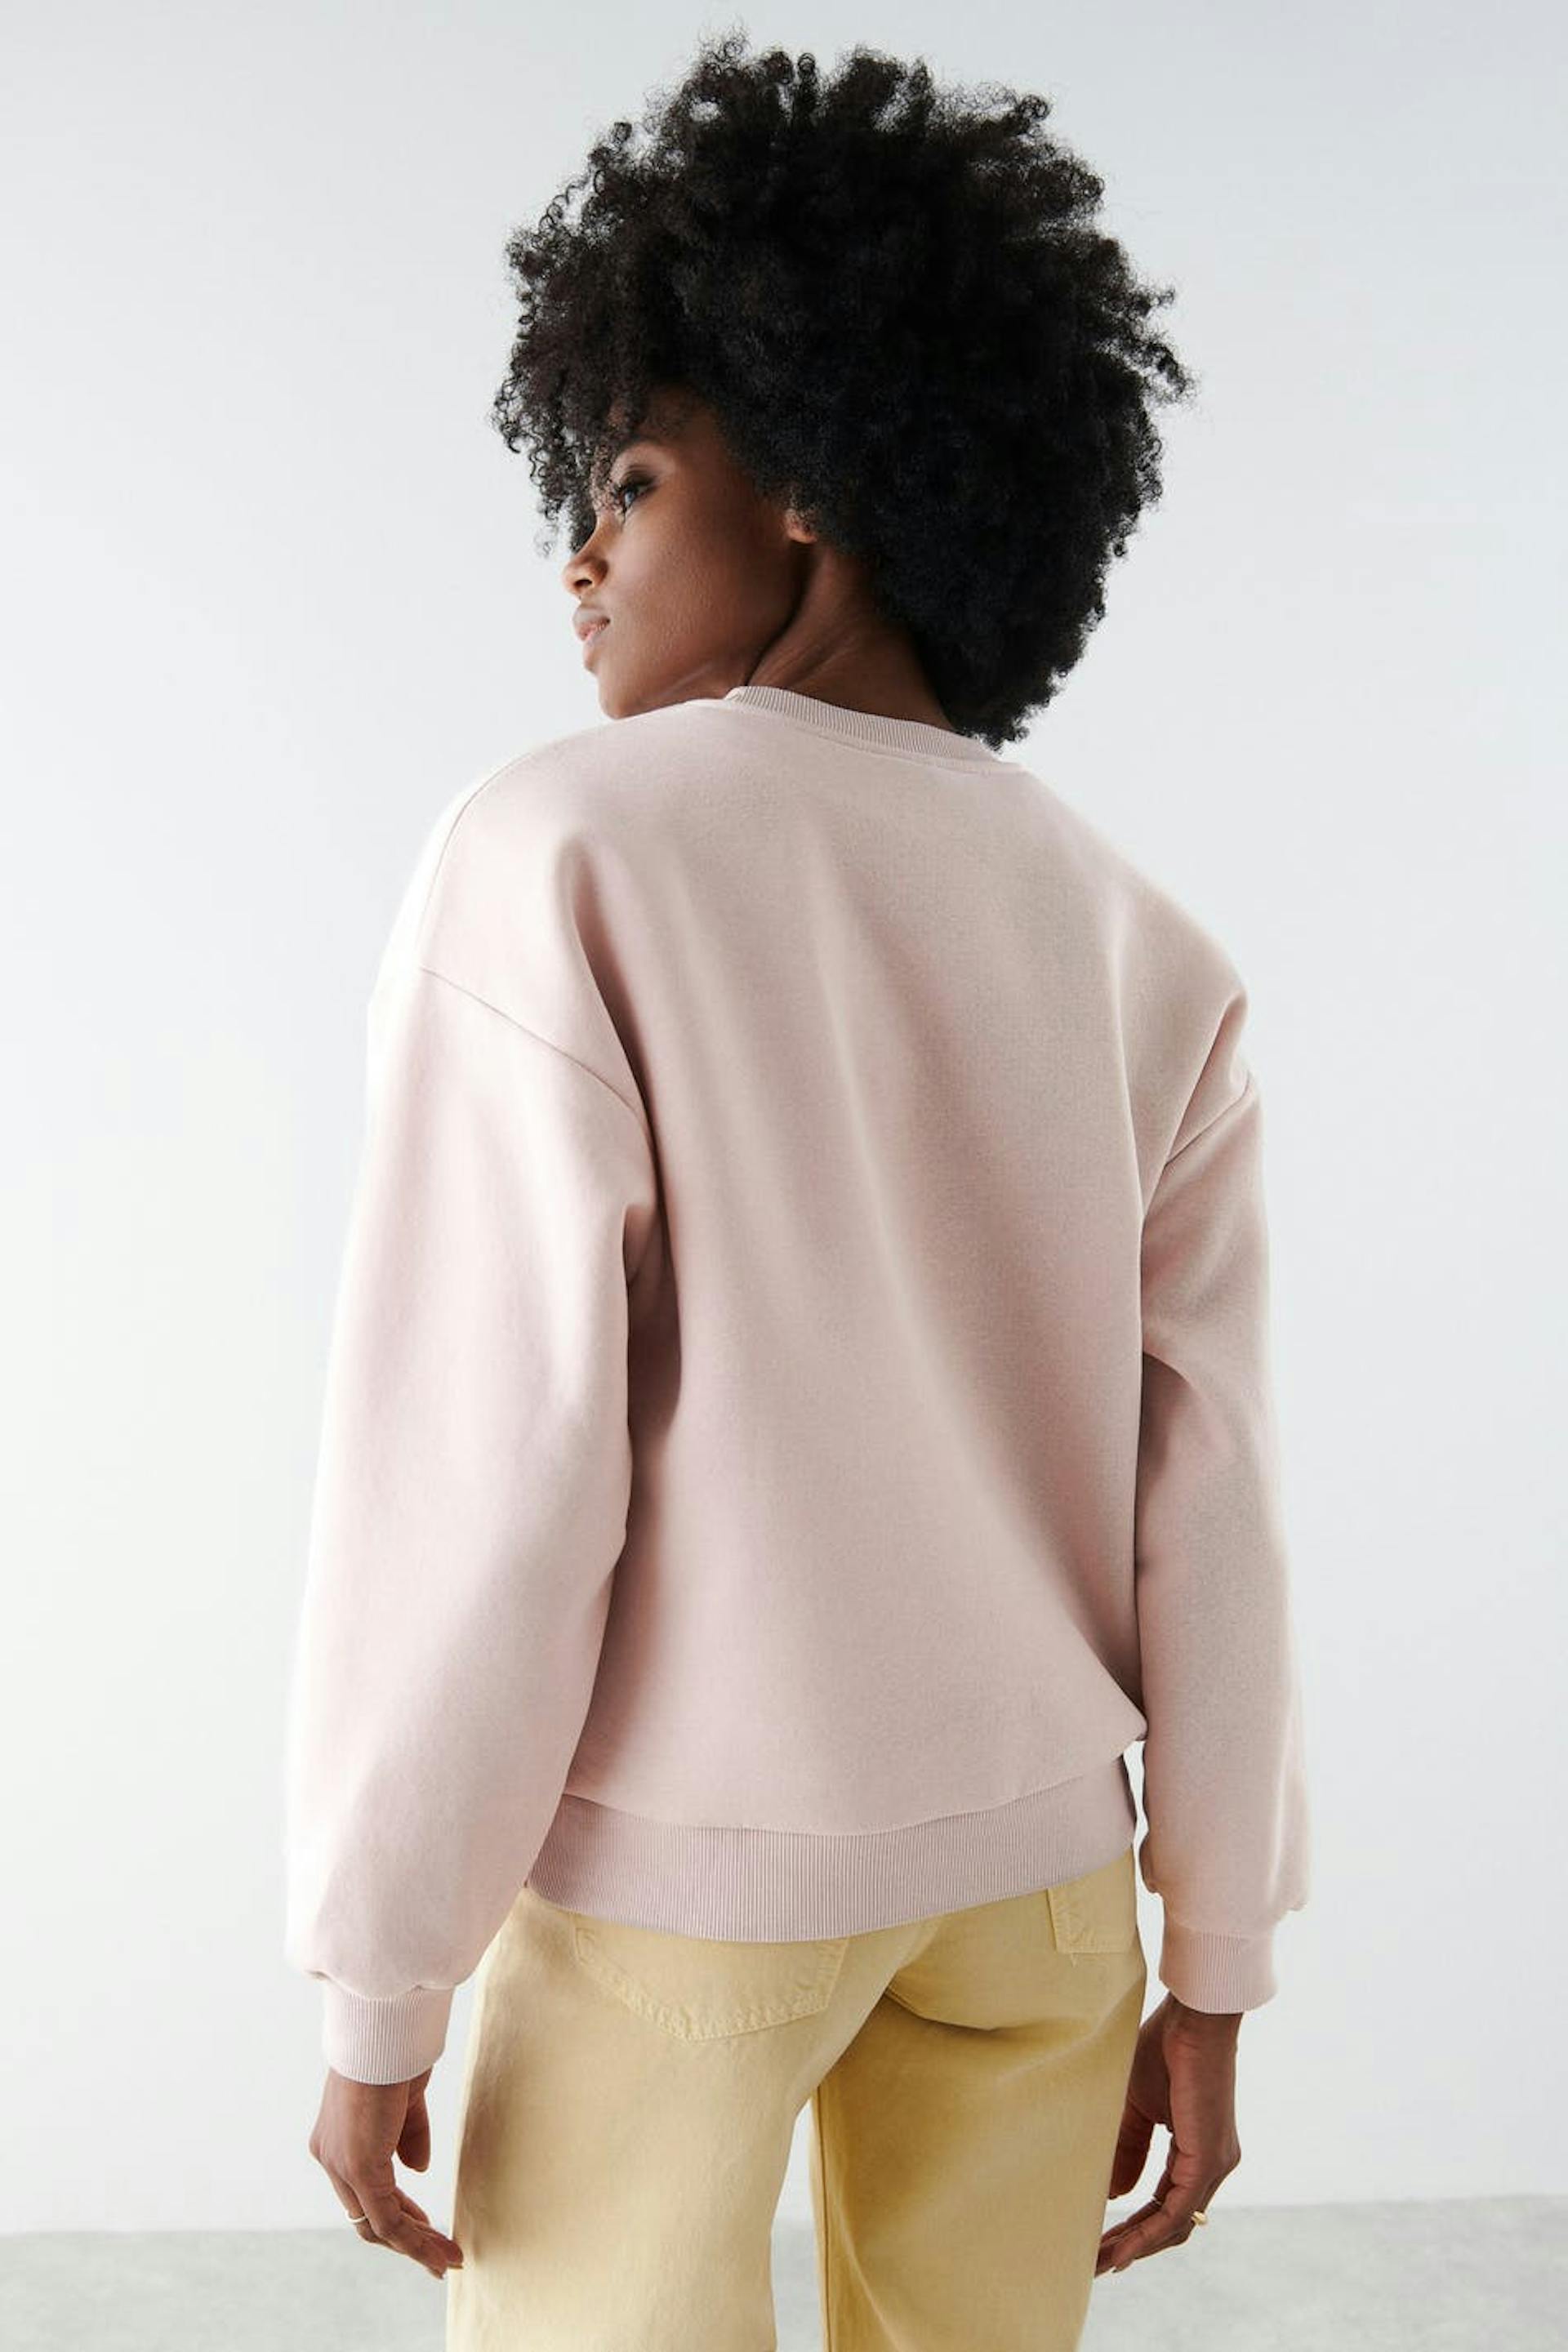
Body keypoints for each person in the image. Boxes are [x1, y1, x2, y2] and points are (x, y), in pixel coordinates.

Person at [284, 33, 1311, 2351]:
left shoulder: (560, 850)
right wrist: (1217, 1963)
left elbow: (488, 1469)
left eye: (632, 478)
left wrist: (381, 1975)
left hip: (686, 1899)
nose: (582, 555)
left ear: (820, 484)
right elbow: (1215, 1502)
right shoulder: (1140, 941)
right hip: (1042, 1904)